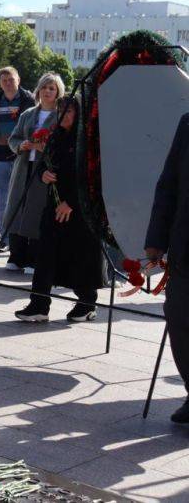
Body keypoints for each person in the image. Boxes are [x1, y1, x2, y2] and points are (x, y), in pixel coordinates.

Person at [15, 97, 103, 323]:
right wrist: (43, 174)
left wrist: (71, 202)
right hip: (54, 206)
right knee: (45, 254)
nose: (63, 114)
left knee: (80, 255)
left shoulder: (87, 140)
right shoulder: (55, 135)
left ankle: (86, 303)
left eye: (69, 110)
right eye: (61, 109)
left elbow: (91, 177)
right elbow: (46, 163)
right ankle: (39, 304)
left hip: (80, 211)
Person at [145, 112, 189, 423]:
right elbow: (168, 184)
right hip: (186, 245)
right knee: (179, 317)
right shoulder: (188, 123)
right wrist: (155, 240)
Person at [3, 73, 64, 273]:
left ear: (58, 92)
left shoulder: (61, 116)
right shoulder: (27, 114)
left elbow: (62, 146)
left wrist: (44, 147)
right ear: (38, 90)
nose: (47, 91)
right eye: (44, 87)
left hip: (43, 170)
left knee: (36, 211)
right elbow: (13, 139)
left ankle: (33, 258)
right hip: (22, 167)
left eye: (52, 88)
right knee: (16, 208)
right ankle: (16, 255)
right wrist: (22, 144)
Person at [0, 67, 35, 258]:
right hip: (0, 156)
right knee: (2, 200)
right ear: (0, 82)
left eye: (11, 79)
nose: (7, 82)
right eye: (4, 79)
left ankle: (19, 239)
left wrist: (13, 139)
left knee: (20, 199)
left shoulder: (28, 100)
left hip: (21, 157)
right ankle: (4, 238)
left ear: (18, 80)